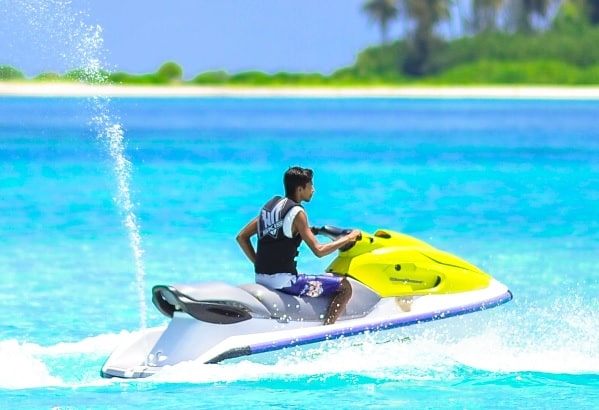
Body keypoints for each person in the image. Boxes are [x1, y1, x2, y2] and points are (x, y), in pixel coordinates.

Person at [236, 166, 361, 325]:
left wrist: (258, 263)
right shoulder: (298, 213)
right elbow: (319, 251)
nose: (313, 190)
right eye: (311, 186)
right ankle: (327, 329)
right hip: (285, 282)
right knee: (344, 287)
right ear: (300, 189)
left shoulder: (269, 209)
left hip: (261, 278)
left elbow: (242, 237)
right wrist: (348, 238)